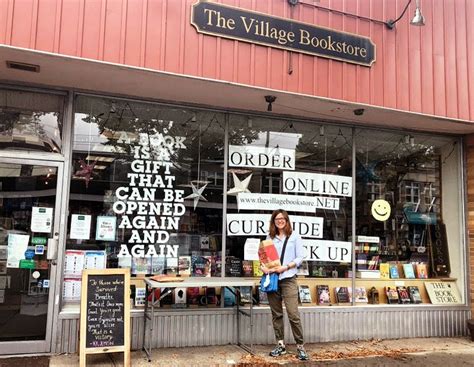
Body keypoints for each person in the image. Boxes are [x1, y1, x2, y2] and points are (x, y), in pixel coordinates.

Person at [261, 209, 309, 361]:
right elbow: (264, 257)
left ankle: (300, 346)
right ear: (273, 221)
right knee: (276, 314)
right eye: (277, 219)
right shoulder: (269, 237)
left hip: (288, 278)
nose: (280, 221)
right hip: (273, 278)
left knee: (293, 314)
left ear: (287, 220)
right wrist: (264, 267)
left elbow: (301, 256)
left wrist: (287, 267)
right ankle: (280, 345)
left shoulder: (294, 236)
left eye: (282, 218)